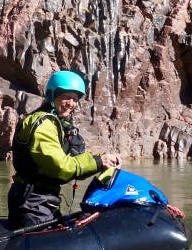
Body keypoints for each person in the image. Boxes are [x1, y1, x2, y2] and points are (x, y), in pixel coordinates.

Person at [7, 70, 121, 227]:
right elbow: (61, 167)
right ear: (52, 95)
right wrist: (98, 162)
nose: (71, 103)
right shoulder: (44, 124)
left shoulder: (56, 123)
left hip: (43, 199)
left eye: (75, 99)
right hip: (32, 200)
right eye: (67, 97)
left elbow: (75, 160)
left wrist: (103, 160)